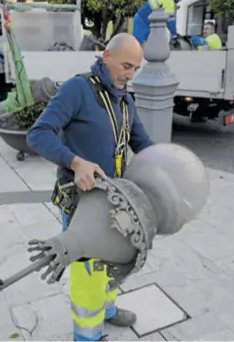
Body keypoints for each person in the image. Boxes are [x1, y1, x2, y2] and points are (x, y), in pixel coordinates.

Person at [27, 33, 155, 342]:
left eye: (136, 69)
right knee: (87, 272)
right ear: (106, 57)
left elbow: (143, 143)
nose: (130, 75)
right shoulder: (77, 89)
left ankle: (108, 311)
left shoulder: (125, 99)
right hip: (82, 203)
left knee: (112, 259)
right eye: (126, 66)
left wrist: (166, 166)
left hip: (117, 200)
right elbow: (38, 134)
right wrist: (75, 162)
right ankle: (86, 335)